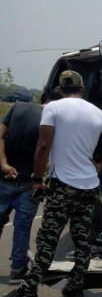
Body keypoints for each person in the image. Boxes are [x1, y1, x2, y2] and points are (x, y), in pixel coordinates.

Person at [0, 70, 102, 297]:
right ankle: (76, 286)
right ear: (82, 89)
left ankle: (28, 290)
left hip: (63, 185)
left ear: (60, 90)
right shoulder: (98, 113)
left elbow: (43, 145)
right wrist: (101, 166)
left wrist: (38, 178)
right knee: (83, 238)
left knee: (48, 238)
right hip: (90, 185)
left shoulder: (53, 108)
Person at [0, 90, 61, 285]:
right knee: (22, 227)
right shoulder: (51, 122)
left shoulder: (18, 107)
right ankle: (17, 270)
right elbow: (45, 152)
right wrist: (39, 178)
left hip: (3, 178)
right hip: (29, 183)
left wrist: (4, 164)